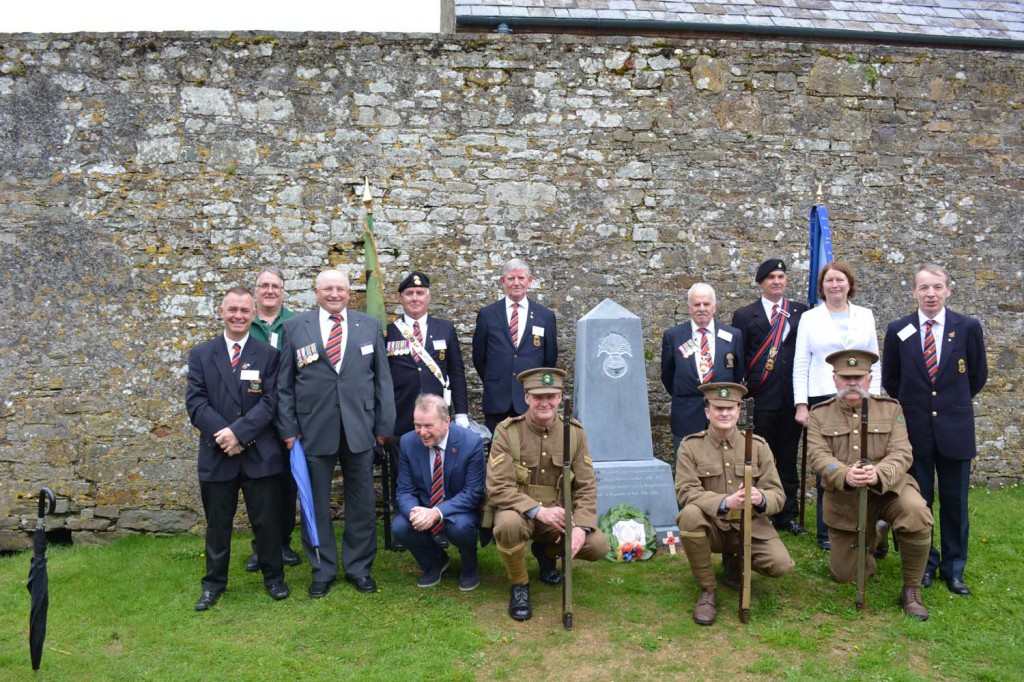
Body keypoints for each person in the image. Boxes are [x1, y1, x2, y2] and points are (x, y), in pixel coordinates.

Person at [276, 269, 395, 598]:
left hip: (361, 429)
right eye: (327, 289)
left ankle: (359, 568)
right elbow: (283, 386)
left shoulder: (368, 326)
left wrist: (383, 428)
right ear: (316, 292)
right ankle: (322, 570)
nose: (334, 294)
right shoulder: (295, 328)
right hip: (312, 431)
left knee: (362, 502)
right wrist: (288, 429)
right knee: (315, 504)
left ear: (349, 293)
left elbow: (382, 380)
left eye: (340, 289)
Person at [882, 264, 987, 596]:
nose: (930, 294)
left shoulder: (967, 328)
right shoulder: (899, 329)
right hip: (915, 432)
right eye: (924, 287)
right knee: (919, 500)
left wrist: (949, 404)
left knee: (955, 502)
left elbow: (977, 376)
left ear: (948, 290)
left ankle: (953, 569)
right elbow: (891, 380)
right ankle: (924, 565)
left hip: (955, 429)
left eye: (937, 287)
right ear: (913, 291)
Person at [807, 350, 933, 620]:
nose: (852, 383)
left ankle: (911, 589)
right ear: (835, 380)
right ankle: (877, 534)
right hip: (846, 498)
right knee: (845, 576)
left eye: (859, 377)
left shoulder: (891, 409)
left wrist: (878, 473)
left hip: (888, 490)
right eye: (846, 377)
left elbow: (902, 452)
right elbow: (817, 456)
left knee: (917, 512)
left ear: (869, 379)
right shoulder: (819, 414)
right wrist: (844, 474)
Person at [185, 286, 289, 610]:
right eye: (233, 309)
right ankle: (213, 584)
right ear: (221, 311)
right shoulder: (201, 355)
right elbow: (196, 403)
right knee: (218, 525)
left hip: (259, 453)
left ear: (254, 314)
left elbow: (271, 402)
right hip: (217, 453)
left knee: (267, 523)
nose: (239, 316)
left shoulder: (269, 355)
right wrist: (224, 434)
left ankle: (274, 578)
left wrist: (240, 434)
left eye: (245, 310)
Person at [486, 368, 609, 621]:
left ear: (560, 397)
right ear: (526, 398)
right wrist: (538, 511)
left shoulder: (574, 433)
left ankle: (546, 553)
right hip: (521, 514)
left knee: (598, 545)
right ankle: (520, 585)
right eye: (537, 396)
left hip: (559, 517)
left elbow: (586, 486)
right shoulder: (507, 431)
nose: (545, 402)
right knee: (507, 525)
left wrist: (581, 527)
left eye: (551, 396)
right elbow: (498, 487)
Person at [674, 382, 795, 626]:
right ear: (707, 411)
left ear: (739, 411)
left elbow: (778, 495)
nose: (725, 413)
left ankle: (735, 562)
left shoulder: (758, 446)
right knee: (689, 515)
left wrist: (760, 498)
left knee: (781, 565)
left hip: (749, 524)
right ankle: (708, 592)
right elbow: (686, 491)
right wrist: (724, 501)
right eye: (718, 408)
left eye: (731, 408)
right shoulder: (690, 447)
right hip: (714, 525)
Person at [792, 261, 880, 550]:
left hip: (859, 397)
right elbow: (801, 363)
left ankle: (860, 527)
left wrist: (875, 399)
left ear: (849, 283)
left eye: (839, 279)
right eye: (829, 280)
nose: (834, 285)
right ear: (822, 286)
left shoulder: (865, 316)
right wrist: (801, 404)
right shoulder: (810, 317)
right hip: (823, 398)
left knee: (860, 459)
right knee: (827, 466)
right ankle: (827, 533)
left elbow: (874, 360)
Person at [383, 271, 470, 537]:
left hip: (437, 418)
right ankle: (407, 525)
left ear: (428, 296)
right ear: (400, 298)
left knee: (439, 472)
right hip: (401, 415)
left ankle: (439, 523)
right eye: (409, 293)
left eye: (420, 293)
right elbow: (381, 376)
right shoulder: (389, 331)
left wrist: (462, 413)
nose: (415, 297)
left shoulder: (445, 328)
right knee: (403, 475)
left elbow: (456, 372)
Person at [731, 259, 808, 536]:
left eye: (781, 276)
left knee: (787, 459)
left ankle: (788, 514)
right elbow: (740, 358)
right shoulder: (744, 315)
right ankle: (762, 511)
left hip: (790, 399)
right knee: (761, 459)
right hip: (760, 399)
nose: (777, 281)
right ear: (761, 282)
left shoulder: (800, 312)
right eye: (771, 277)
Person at [393, 394, 485, 590]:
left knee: (460, 527)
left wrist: (436, 512)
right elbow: (404, 490)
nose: (422, 432)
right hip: (425, 507)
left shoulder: (471, 443)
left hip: (459, 509)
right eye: (417, 425)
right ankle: (435, 562)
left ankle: (470, 566)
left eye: (428, 426)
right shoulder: (408, 442)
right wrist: (415, 512)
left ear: (446, 422)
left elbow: (473, 493)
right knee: (400, 526)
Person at [244, 267, 301, 573]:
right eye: (264, 285)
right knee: (257, 486)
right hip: (253, 417)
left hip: (288, 416)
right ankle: (260, 546)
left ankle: (283, 543)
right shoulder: (243, 323)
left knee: (286, 486)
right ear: (256, 291)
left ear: (282, 291)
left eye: (275, 286)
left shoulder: (296, 323)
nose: (269, 290)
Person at [472, 259, 558, 434]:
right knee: (497, 456)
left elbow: (550, 358)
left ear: (530, 280)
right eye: (511, 278)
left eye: (521, 278)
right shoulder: (488, 315)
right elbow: (479, 357)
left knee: (530, 453)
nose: (516, 283)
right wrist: (497, 379)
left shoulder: (545, 316)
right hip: (497, 398)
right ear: (503, 281)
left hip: (531, 398)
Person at [661, 282, 745, 456]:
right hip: (686, 414)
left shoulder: (733, 335)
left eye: (706, 304)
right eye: (696, 304)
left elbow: (738, 374)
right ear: (689, 307)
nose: (701, 308)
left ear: (714, 307)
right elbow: (667, 376)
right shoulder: (673, 336)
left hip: (722, 412)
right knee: (687, 469)